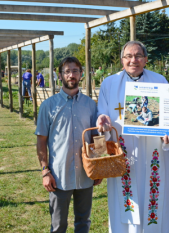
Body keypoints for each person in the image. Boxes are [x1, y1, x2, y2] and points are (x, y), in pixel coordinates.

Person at [96, 41, 169, 232]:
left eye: (138, 56)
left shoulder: (159, 81)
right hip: (124, 152)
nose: (134, 60)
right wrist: (102, 122)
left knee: (155, 197)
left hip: (154, 150)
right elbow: (101, 114)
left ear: (146, 59)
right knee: (125, 199)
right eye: (128, 56)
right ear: (122, 60)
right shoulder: (109, 83)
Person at [35, 57, 101, 233]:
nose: (71, 75)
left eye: (75, 71)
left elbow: (95, 137)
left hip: (85, 174)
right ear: (60, 75)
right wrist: (45, 171)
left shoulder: (90, 105)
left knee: (83, 222)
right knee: (58, 226)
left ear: (81, 74)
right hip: (58, 176)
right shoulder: (48, 106)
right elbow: (41, 140)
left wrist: (98, 168)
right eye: (67, 71)